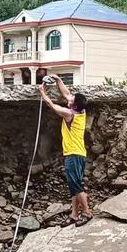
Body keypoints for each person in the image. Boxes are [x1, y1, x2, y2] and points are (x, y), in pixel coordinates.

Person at [38, 75, 93, 227]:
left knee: (76, 185)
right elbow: (66, 93)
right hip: (79, 153)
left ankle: (87, 213)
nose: (69, 98)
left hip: (73, 154)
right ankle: (74, 215)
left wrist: (42, 92)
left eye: (71, 100)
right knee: (73, 185)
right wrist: (57, 80)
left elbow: (52, 105)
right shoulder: (80, 112)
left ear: (74, 106)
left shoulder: (70, 114)